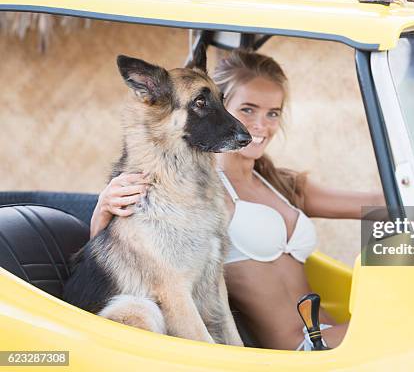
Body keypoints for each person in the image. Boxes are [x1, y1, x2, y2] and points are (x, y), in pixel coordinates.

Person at [90, 50, 385, 350]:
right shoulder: (198, 196)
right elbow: (134, 258)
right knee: (401, 331)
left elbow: (381, 204)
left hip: (335, 329)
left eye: (273, 113)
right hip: (300, 346)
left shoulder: (281, 183)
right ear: (222, 107)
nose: (260, 125)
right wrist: (102, 208)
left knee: (413, 312)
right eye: (247, 109)